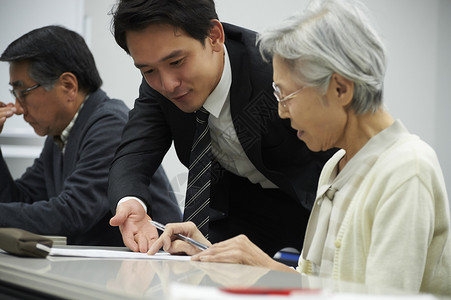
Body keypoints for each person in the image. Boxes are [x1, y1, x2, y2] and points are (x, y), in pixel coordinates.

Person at [148, 0, 451, 296]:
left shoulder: (406, 170)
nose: (281, 112)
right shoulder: (336, 169)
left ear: (340, 89)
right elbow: (318, 283)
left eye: (286, 95)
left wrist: (266, 269)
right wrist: (218, 254)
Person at [108, 0, 334, 254]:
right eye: (148, 70)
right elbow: (134, 152)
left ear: (214, 37)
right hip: (235, 213)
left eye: (177, 62)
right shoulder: (158, 86)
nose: (168, 84)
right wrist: (130, 202)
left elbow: (337, 150)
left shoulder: (274, 71)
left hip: (312, 209)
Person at [0, 25, 181, 246]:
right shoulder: (60, 134)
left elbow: (72, 214)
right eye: (14, 94)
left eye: (23, 93)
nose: (17, 107)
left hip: (156, 268)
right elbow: (19, 201)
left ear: (68, 86)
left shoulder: (110, 124)